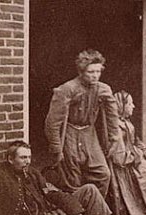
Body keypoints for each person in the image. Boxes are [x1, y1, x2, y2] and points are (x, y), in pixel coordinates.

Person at [0, 141, 144, 215]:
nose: (27, 161)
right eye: (23, 158)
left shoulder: (33, 174)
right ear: (10, 159)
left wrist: (77, 214)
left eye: (29, 157)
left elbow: (54, 194)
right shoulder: (2, 180)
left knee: (90, 190)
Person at [44, 49, 120, 198]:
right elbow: (52, 122)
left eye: (98, 71)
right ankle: (78, 213)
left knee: (103, 174)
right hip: (70, 133)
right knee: (73, 177)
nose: (95, 76)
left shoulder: (103, 89)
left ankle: (94, 208)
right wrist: (56, 148)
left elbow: (112, 116)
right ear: (81, 71)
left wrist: (114, 138)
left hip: (89, 134)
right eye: (91, 72)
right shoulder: (67, 89)